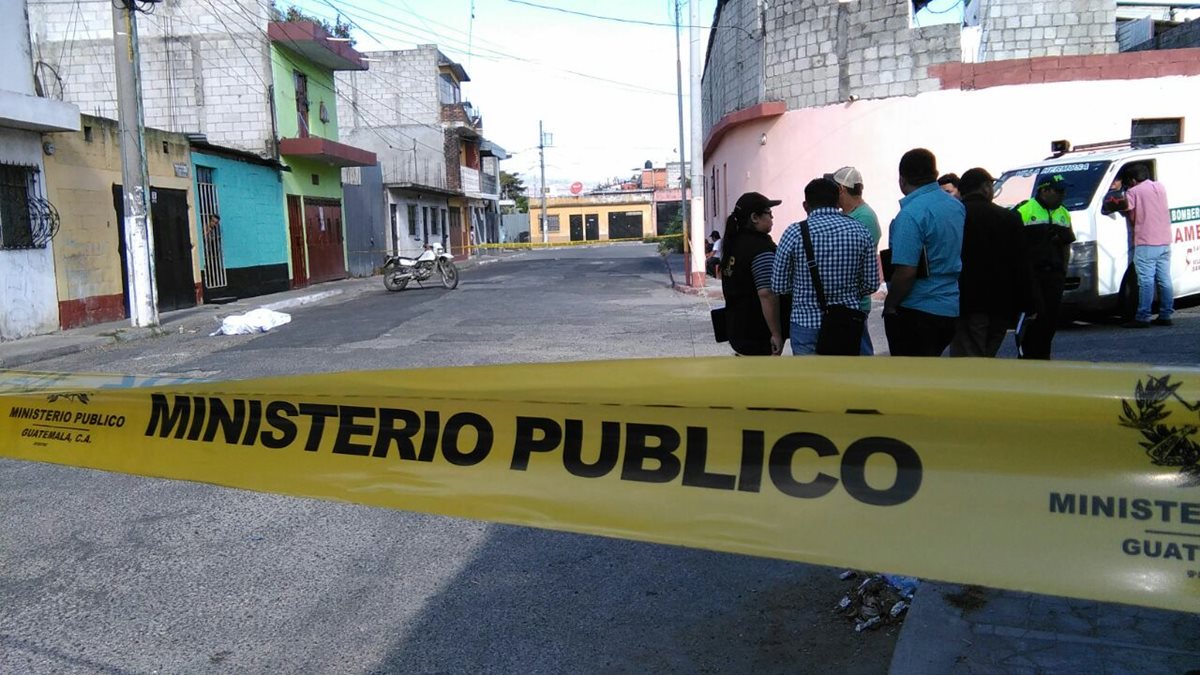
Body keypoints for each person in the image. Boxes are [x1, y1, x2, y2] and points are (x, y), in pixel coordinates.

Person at [771, 178, 878, 355]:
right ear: (837, 201)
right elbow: (871, 284)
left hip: (805, 322)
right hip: (848, 321)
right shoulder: (860, 230)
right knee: (848, 378)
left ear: (806, 205)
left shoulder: (794, 233)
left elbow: (779, 286)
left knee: (810, 380)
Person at [883, 149, 965, 357]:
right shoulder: (955, 206)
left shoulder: (911, 214)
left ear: (902, 179)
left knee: (908, 381)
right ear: (935, 174)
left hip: (917, 309)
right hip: (950, 306)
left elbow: (906, 272)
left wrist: (890, 305)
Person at [950, 168, 1030, 357]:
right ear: (986, 188)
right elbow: (1021, 263)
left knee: (968, 357)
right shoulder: (1008, 217)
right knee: (988, 353)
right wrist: (1028, 302)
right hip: (1001, 303)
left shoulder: (955, 217)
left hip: (966, 300)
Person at [1015, 174, 1075, 359]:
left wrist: (1063, 271)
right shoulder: (1024, 211)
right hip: (1032, 277)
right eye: (1059, 191)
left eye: (1064, 191)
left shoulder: (1063, 213)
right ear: (1044, 190)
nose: (1063, 195)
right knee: (1032, 323)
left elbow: (1067, 244)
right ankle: (1026, 361)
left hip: (1054, 277)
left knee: (1050, 323)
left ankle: (1044, 360)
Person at [721, 192, 785, 356]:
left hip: (737, 329)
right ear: (755, 217)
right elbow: (767, 294)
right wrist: (776, 334)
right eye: (769, 213)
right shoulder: (760, 249)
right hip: (757, 333)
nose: (772, 217)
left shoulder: (734, 243)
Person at [826, 165, 881, 355]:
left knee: (859, 355)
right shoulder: (849, 214)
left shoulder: (864, 217)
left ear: (841, 189)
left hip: (855, 303)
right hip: (843, 302)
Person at [1121, 164, 1174, 328]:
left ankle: (1143, 316)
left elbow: (1127, 210)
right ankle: (1166, 314)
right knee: (1165, 280)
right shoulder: (1159, 187)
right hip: (1164, 240)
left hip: (1146, 241)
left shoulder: (1133, 192)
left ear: (1132, 180)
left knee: (1146, 281)